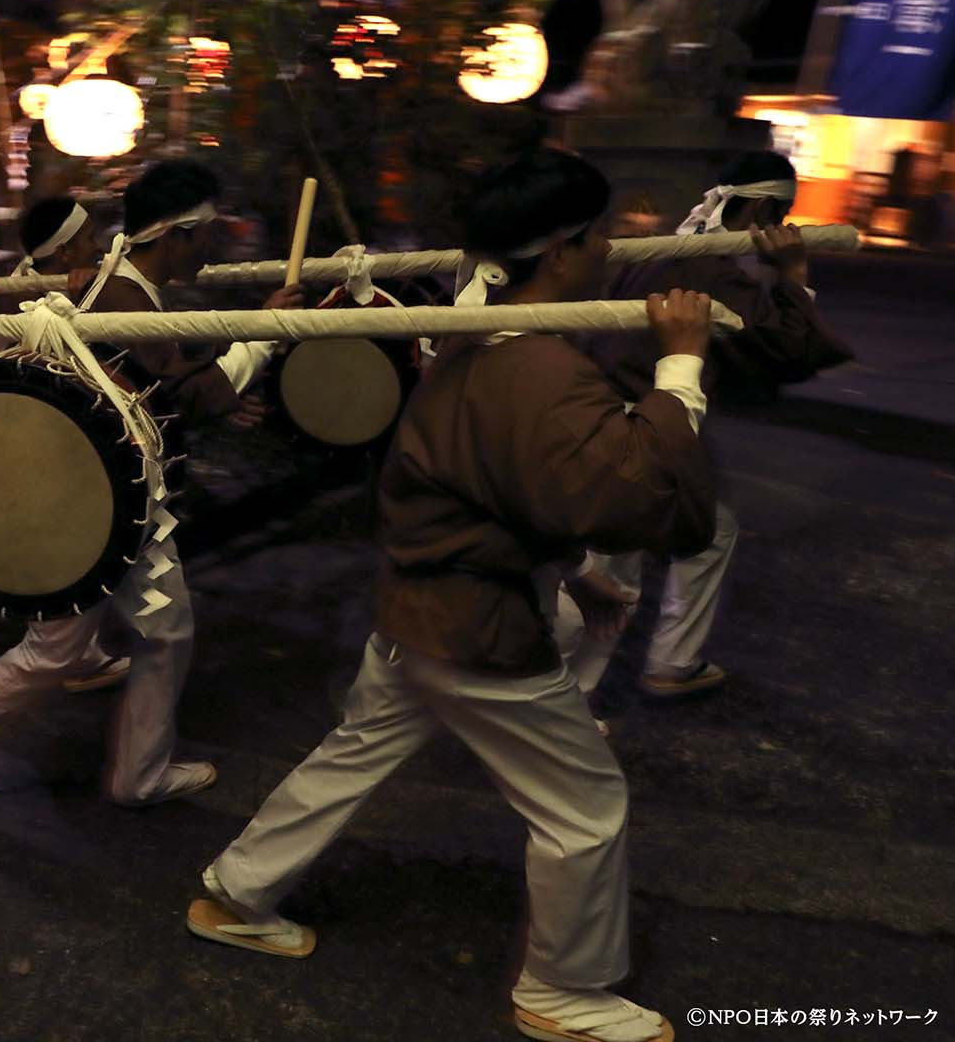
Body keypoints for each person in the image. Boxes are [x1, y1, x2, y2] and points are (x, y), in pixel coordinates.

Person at [186, 149, 715, 1042]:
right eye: (602, 236)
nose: (611, 252)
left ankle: (239, 892)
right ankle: (564, 990)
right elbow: (628, 493)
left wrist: (571, 570)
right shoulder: (538, 367)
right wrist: (682, 369)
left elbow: (496, 481)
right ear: (563, 253)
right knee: (586, 809)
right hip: (475, 628)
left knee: (353, 751)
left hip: (416, 607)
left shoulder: (474, 336)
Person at [0, 160, 303, 810]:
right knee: (57, 651)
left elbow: (169, 390)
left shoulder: (124, 289)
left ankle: (139, 772)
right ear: (179, 232)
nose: (217, 243)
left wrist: (222, 384)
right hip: (93, 502)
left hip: (116, 497)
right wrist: (263, 332)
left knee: (164, 632)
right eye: (210, 231)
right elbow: (190, 393)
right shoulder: (121, 297)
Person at [574, 152, 854, 699]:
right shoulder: (711, 271)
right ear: (764, 212)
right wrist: (793, 274)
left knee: (709, 529)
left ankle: (671, 662)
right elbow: (790, 348)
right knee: (615, 571)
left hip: (605, 414)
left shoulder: (660, 256)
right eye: (782, 215)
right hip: (642, 429)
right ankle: (569, 705)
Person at [0, 195, 127, 695]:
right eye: (87, 242)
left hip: (22, 433)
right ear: (62, 255)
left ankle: (69, 653)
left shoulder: (64, 286)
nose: (98, 248)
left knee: (46, 539)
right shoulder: (28, 294)